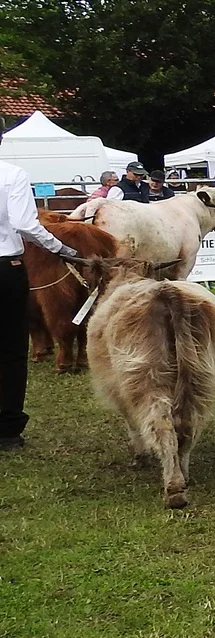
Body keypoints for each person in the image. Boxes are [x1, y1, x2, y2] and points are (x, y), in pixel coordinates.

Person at [2, 143, 81, 450]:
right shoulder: (12, 174)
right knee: (11, 349)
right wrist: (60, 248)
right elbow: (25, 224)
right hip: (4, 266)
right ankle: (7, 429)